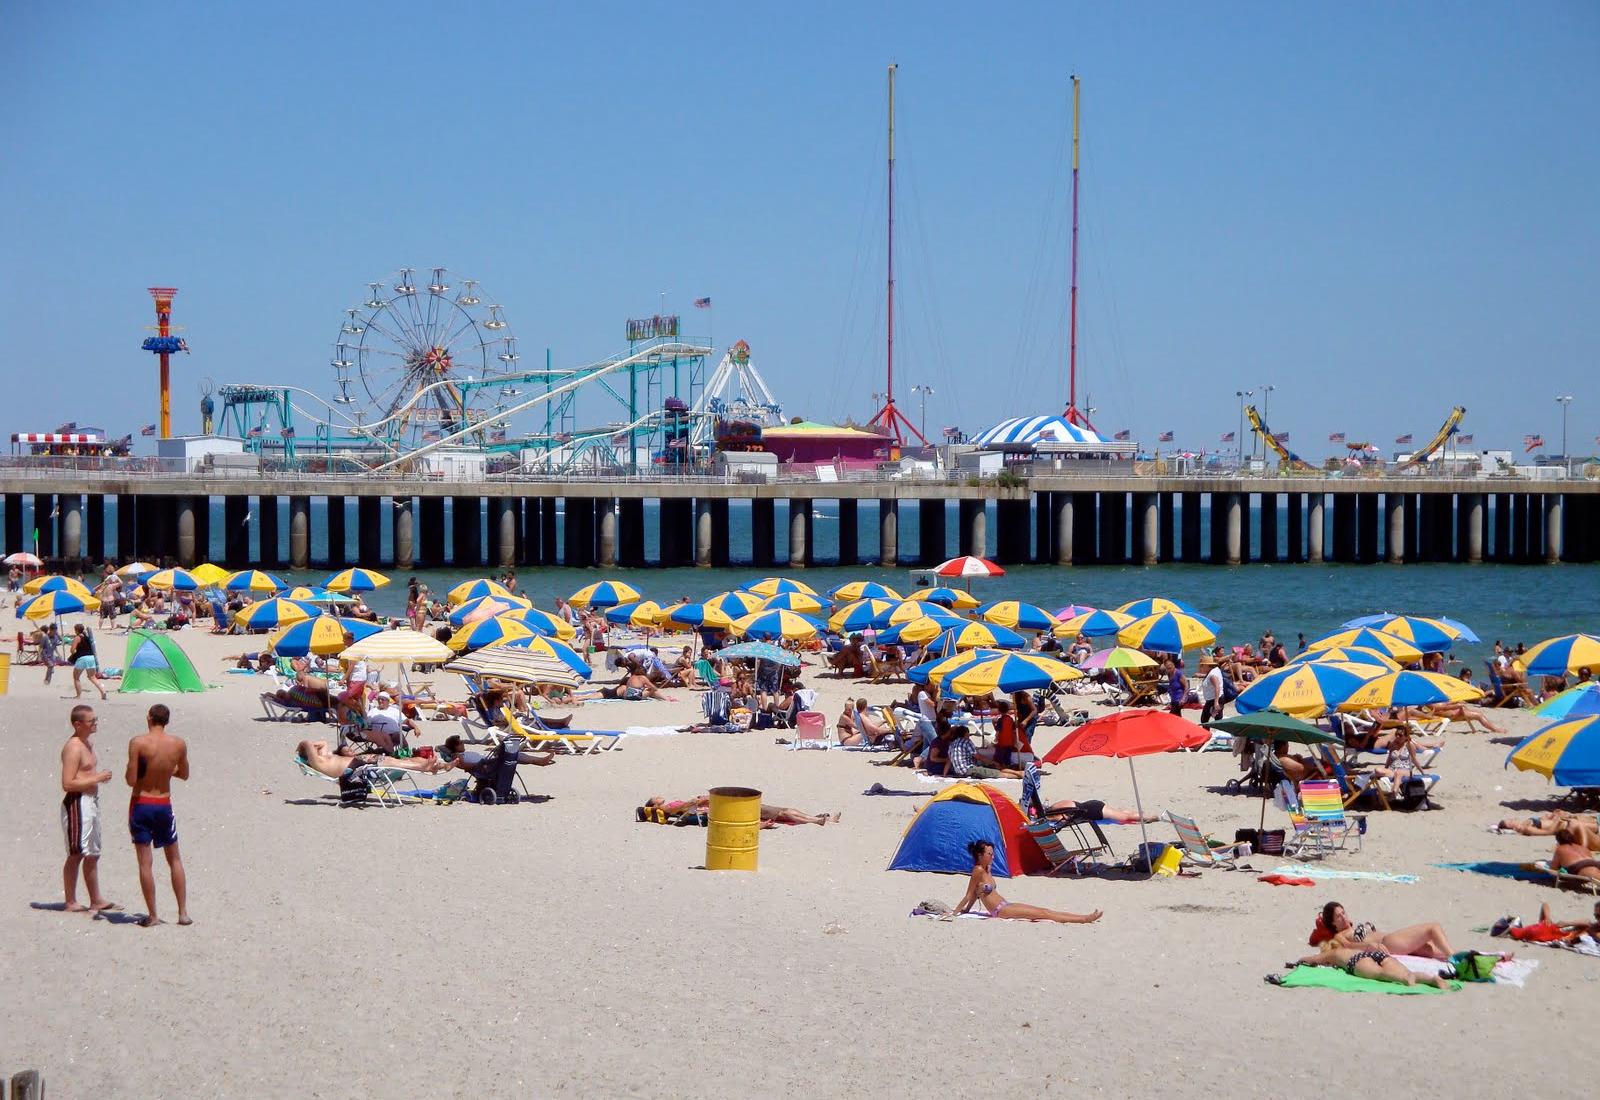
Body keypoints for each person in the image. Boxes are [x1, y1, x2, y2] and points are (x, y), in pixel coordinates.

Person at [125, 704, 191, 928]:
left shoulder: (138, 743)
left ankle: (153, 915)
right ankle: (182, 913)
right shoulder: (178, 744)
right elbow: (184, 774)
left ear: (149, 718)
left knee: (145, 863)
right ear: (167, 721)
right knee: (174, 859)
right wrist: (165, 769)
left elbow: (131, 779)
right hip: (164, 803)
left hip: (142, 803)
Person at [948, 839, 1101, 924]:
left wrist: (967, 910)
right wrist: (955, 913)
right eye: (989, 854)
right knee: (1043, 914)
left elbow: (976, 894)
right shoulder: (978, 871)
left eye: (993, 854)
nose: (992, 857)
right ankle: (1084, 919)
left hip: (1006, 904)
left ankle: (1082, 917)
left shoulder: (987, 869)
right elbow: (969, 895)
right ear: (980, 855)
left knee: (1044, 910)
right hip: (1001, 911)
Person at [59, 705, 117, 914]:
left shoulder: (87, 744)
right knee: (76, 852)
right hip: (77, 802)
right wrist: (97, 778)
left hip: (91, 801)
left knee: (93, 852)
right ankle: (70, 901)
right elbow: (67, 783)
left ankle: (96, 899)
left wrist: (96, 778)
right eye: (91, 720)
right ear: (77, 724)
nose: (95, 723)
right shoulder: (73, 747)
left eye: (95, 719)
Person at [1309, 901, 1456, 960]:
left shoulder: (1352, 928)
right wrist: (1369, 947)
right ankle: (1456, 959)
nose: (1343, 917)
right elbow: (1348, 946)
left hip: (1392, 940)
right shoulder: (1340, 935)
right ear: (1333, 923)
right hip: (1388, 943)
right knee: (1433, 928)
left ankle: (1460, 959)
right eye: (1339, 916)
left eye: (1343, 913)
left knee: (1429, 948)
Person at [1289, 945, 1455, 990]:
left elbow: (1311, 959)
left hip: (1357, 961)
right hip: (1374, 954)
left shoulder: (1333, 953)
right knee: (1406, 972)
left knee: (1381, 974)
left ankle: (1407, 980)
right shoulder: (1347, 949)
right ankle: (1432, 979)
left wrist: (1299, 960)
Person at [639, 794, 837, 827]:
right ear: (654, 806)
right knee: (781, 813)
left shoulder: (670, 809)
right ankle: (815, 820)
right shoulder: (667, 808)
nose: (659, 796)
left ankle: (817, 818)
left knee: (783, 811)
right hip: (724, 807)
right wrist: (699, 800)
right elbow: (686, 807)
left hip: (719, 805)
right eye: (655, 798)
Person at [296, 739, 448, 779]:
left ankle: (437, 766)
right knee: (390, 762)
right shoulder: (318, 762)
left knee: (401, 760)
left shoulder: (324, 758)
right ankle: (423, 767)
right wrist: (301, 747)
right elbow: (308, 743)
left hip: (356, 764)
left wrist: (314, 747)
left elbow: (322, 743)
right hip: (356, 768)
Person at [1493, 900, 1600, 945]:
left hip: (1547, 932)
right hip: (1549, 931)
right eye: (1596, 916)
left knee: (1520, 932)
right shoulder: (1592, 926)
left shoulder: (1592, 928)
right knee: (1520, 932)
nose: (1597, 918)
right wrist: (1565, 923)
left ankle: (1512, 927)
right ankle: (1511, 927)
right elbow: (1587, 922)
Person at [440, 734, 555, 772]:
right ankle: (540, 761)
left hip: (489, 759)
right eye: (460, 743)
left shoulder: (461, 754)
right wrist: (481, 764)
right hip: (488, 763)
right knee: (513, 755)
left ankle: (539, 761)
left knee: (514, 755)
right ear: (455, 746)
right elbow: (464, 765)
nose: (463, 744)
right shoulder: (457, 756)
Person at [948, 725, 1023, 780]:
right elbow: (979, 757)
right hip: (968, 770)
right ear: (965, 734)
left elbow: (949, 761)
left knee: (991, 768)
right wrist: (992, 762)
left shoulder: (952, 744)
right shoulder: (966, 742)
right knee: (996, 773)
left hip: (958, 771)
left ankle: (1017, 773)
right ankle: (1019, 774)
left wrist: (944, 774)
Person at [68, 623, 107, 700]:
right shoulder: (87, 637)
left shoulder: (77, 638)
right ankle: (103, 691)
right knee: (92, 677)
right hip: (91, 657)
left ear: (76, 630)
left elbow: (72, 650)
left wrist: (74, 653)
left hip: (82, 658)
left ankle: (78, 696)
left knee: (76, 677)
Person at [1199, 651, 1225, 724]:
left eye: (1202, 665)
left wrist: (1216, 702)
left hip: (1214, 700)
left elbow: (1217, 687)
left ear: (1207, 666)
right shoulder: (1215, 670)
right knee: (1217, 719)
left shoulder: (1212, 675)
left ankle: (1208, 734)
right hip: (1216, 699)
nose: (1201, 667)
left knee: (1204, 720)